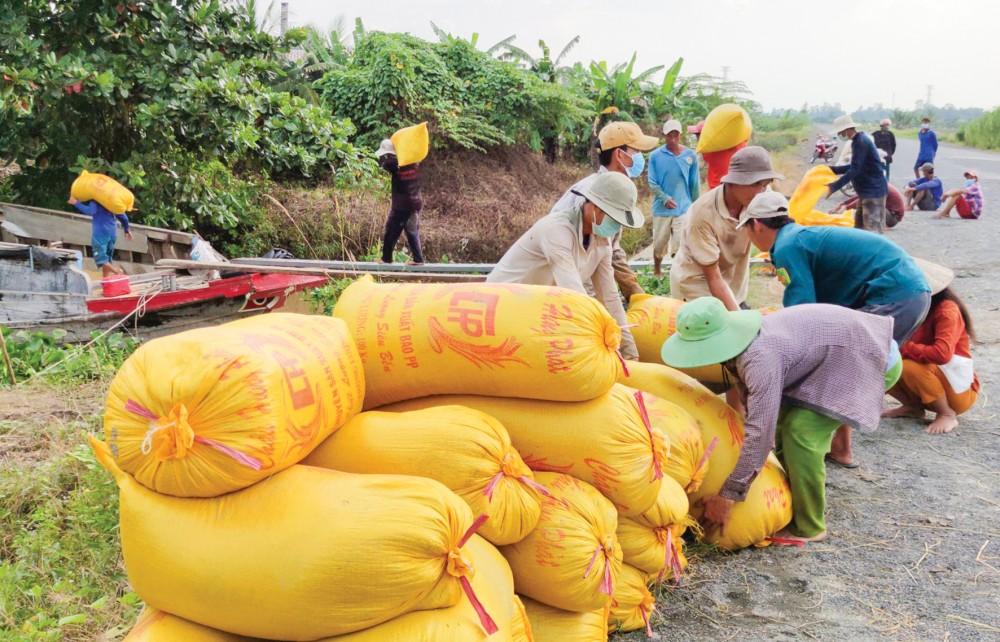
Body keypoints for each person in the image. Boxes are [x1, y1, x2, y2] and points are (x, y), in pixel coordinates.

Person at [661, 297, 900, 543]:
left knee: (800, 434)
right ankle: (796, 494)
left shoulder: (760, 359)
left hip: (871, 357)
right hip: (835, 356)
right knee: (783, 427)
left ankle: (810, 526)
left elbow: (760, 431)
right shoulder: (743, 346)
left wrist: (728, 496)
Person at [738, 191, 931, 466]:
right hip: (907, 292)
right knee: (842, 365)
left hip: (893, 295)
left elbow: (800, 312)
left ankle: (817, 444)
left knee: (842, 366)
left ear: (756, 224)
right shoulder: (800, 237)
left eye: (746, 228)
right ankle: (840, 448)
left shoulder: (787, 246)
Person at [488, 172, 644, 359]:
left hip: (535, 310)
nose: (615, 227)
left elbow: (609, 295)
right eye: (613, 218)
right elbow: (574, 294)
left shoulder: (602, 240)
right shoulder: (557, 230)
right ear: (594, 207)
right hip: (502, 307)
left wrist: (628, 349)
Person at [549, 121, 660, 300]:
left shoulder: (616, 189)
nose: (640, 157)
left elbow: (612, 250)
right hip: (561, 276)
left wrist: (636, 294)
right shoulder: (593, 195)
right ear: (619, 155)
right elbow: (579, 258)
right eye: (636, 151)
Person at [669, 146, 782, 311]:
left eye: (765, 185)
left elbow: (772, 237)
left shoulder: (761, 198)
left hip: (732, 284)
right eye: (756, 184)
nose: (761, 191)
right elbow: (713, 278)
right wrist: (739, 319)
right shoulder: (702, 214)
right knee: (719, 330)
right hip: (697, 287)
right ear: (734, 182)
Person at [884, 259, 979, 434]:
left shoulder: (946, 310)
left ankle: (946, 414)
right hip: (931, 382)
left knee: (907, 366)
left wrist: (904, 347)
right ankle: (912, 407)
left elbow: (942, 354)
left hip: (957, 392)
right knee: (883, 362)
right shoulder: (913, 309)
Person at [648, 119, 700, 275]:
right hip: (661, 208)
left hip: (682, 207)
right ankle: (657, 270)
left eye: (675, 135)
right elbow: (652, 181)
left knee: (680, 245)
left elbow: (694, 183)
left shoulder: (690, 156)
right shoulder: (655, 156)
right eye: (669, 135)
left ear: (680, 135)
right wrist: (664, 198)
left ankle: (676, 274)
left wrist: (695, 206)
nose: (672, 139)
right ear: (664, 136)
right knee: (658, 245)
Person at [826, 115, 888, 233]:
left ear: (846, 130)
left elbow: (855, 169)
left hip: (873, 192)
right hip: (865, 192)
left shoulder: (861, 142)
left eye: (840, 132)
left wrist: (834, 186)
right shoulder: (857, 141)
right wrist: (833, 170)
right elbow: (856, 166)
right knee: (859, 231)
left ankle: (873, 251)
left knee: (872, 232)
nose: (840, 134)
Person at [375, 139, 424, 265]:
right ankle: (418, 260)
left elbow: (385, 164)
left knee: (391, 230)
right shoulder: (412, 163)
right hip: (415, 202)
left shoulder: (396, 165)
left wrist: (391, 156)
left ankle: (386, 259)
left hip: (403, 205)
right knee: (412, 230)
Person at [67, 196, 133, 277]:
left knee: (101, 259)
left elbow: (90, 211)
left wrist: (76, 203)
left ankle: (117, 271)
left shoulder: (96, 199)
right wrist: (126, 229)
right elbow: (124, 217)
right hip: (112, 233)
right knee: (107, 259)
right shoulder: (113, 201)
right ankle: (106, 282)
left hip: (100, 234)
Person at [833, 183, 906, 228]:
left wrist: (846, 207)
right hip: (888, 213)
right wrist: (844, 203)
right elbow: (860, 196)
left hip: (893, 218)